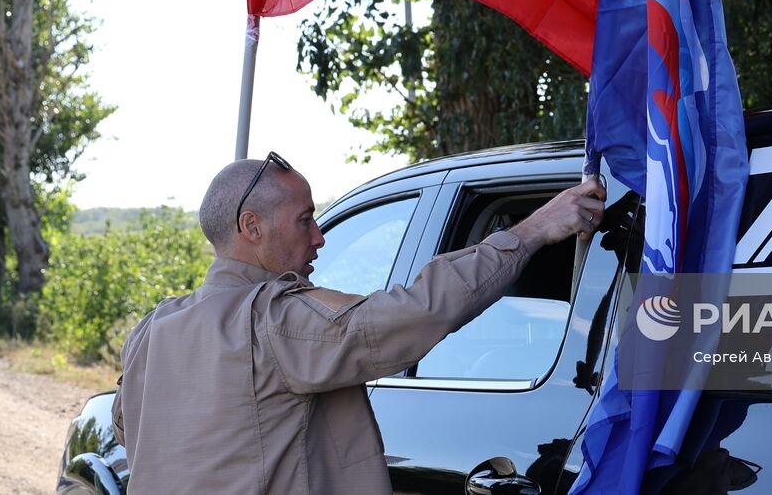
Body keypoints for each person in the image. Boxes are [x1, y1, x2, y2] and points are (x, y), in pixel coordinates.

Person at [113, 152, 605, 494]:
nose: (319, 238)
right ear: (251, 227)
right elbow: (418, 312)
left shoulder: (150, 333)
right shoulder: (275, 321)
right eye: (305, 220)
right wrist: (535, 230)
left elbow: (130, 428)